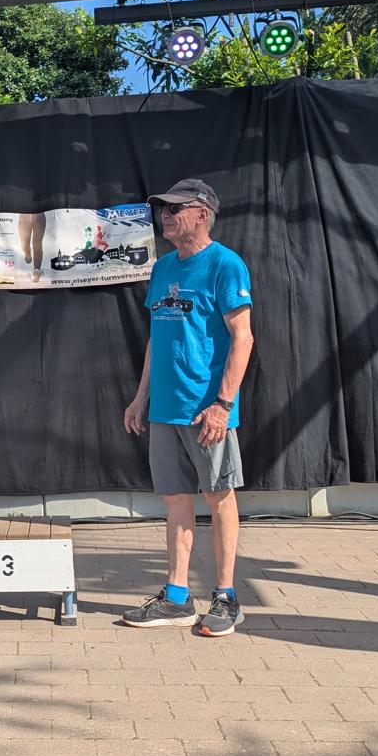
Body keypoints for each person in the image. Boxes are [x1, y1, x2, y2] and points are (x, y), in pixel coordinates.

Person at [121, 179, 254, 637]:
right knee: (176, 501)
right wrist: (142, 397)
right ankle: (177, 597)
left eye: (175, 209)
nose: (165, 216)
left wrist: (223, 404)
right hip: (166, 409)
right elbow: (157, 338)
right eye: (162, 209)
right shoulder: (162, 269)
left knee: (219, 497)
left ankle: (226, 597)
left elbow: (243, 338)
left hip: (206, 410)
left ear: (202, 214)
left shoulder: (225, 265)